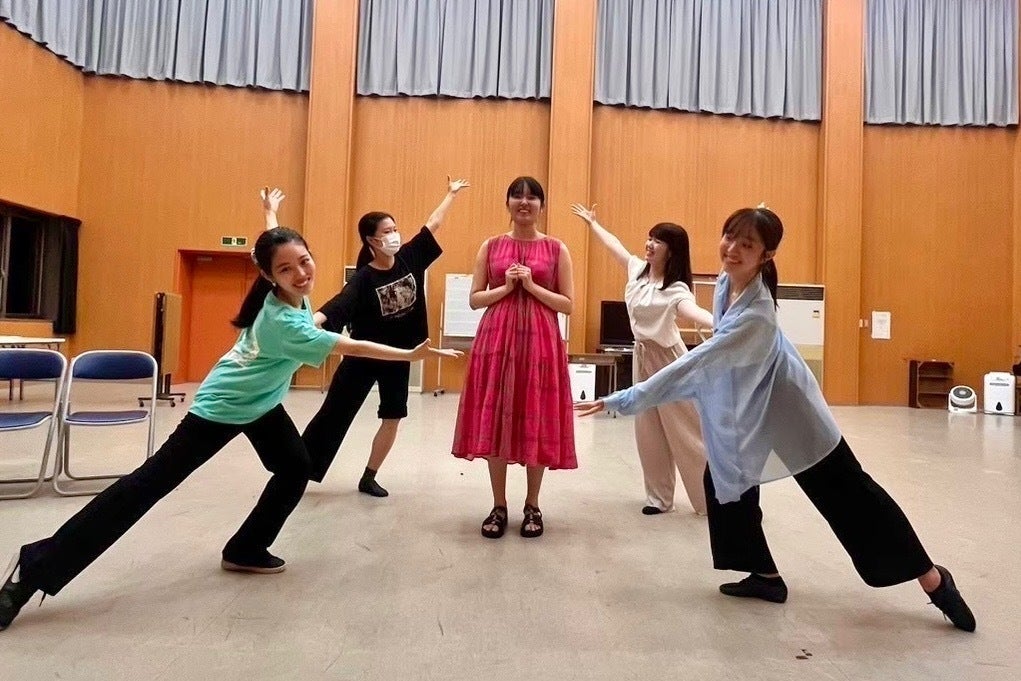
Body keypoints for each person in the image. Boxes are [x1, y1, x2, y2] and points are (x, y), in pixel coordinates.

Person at [0, 224, 461, 631]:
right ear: (269, 276)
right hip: (222, 407)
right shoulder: (285, 323)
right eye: (286, 269)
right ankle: (33, 571)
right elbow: (352, 347)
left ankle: (246, 548)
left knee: (295, 467)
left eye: (304, 261)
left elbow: (275, 252)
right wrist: (409, 355)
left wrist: (272, 217)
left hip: (261, 405)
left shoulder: (288, 294)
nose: (301, 273)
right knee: (145, 487)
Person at [575, 206, 975, 632]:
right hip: (755, 405)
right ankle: (764, 575)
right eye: (729, 236)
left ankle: (932, 578)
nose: (732, 249)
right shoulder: (727, 282)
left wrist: (626, 397)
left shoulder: (757, 315)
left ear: (766, 256)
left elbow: (699, 365)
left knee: (850, 496)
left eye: (746, 244)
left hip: (794, 414)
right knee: (725, 479)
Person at [264, 179, 469, 497]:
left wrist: (451, 194)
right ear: (372, 240)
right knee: (333, 415)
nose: (394, 235)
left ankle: (369, 476)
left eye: (395, 229)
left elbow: (434, 223)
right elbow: (335, 308)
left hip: (399, 357)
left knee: (393, 416)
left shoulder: (410, 257)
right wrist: (307, 323)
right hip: (362, 357)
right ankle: (299, 474)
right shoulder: (363, 279)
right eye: (387, 231)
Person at [452, 176, 576, 539]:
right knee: (496, 416)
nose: (524, 202)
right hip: (497, 340)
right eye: (517, 196)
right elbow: (475, 299)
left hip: (540, 343)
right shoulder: (490, 246)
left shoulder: (557, 248)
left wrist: (532, 286)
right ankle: (499, 504)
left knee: (536, 414)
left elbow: (568, 304)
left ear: (542, 205)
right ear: (507, 203)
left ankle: (532, 504)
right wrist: (506, 287)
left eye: (532, 197)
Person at [571, 203, 713, 516]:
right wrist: (593, 224)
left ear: (672, 251)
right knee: (649, 431)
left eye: (657, 241)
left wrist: (721, 324)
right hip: (643, 355)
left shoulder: (676, 289)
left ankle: (712, 501)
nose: (649, 244)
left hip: (670, 361)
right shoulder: (637, 271)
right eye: (650, 238)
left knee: (688, 431)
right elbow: (615, 246)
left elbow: (693, 312)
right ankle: (659, 499)